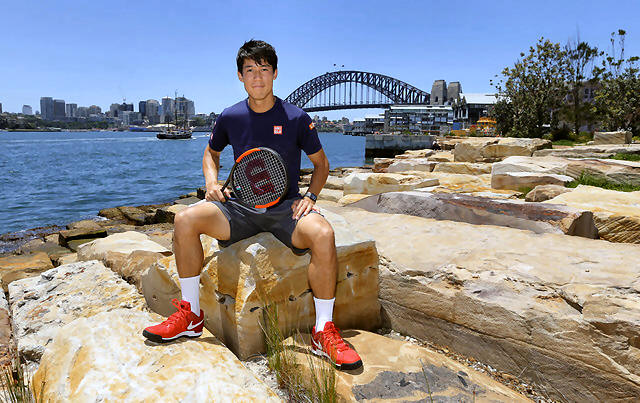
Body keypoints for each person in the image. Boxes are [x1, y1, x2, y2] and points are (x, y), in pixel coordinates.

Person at [142, 39, 362, 370]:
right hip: (239, 207)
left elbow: (321, 165)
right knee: (185, 219)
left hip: (285, 209)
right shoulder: (230, 116)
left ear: (275, 73)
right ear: (240, 76)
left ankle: (322, 331)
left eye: (263, 69)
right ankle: (190, 315)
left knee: (323, 234)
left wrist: (310, 197)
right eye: (249, 70)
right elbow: (211, 153)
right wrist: (211, 183)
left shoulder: (296, 117)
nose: (257, 77)